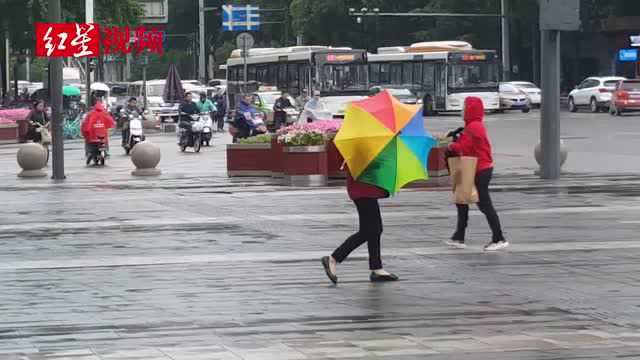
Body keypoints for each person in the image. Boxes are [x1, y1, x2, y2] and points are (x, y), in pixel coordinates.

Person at [445, 96, 509, 251]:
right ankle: (459, 236)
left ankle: (499, 238)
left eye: (464, 108)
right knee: (462, 200)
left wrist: (452, 146)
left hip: (480, 169)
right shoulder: (472, 126)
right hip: (473, 168)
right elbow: (468, 145)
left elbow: (465, 148)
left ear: (470, 110)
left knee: (484, 205)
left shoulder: (474, 127)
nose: (462, 111)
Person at [321, 166, 398, 284]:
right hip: (364, 190)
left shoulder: (364, 150)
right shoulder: (363, 150)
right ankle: (334, 258)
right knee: (369, 230)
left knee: (374, 229)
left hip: (365, 190)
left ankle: (376, 268)